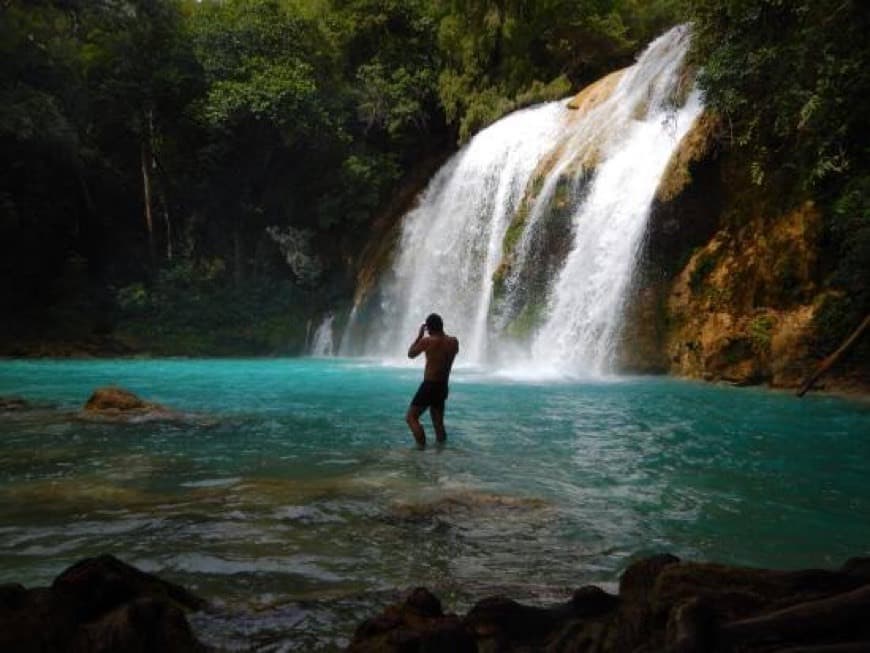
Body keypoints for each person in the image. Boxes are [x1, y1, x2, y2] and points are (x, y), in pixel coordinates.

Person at [406, 313, 459, 448]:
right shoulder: (454, 342)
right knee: (438, 423)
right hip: (442, 386)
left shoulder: (428, 341)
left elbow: (411, 354)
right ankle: (441, 452)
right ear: (441, 325)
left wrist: (419, 336)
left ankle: (420, 449)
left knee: (411, 418)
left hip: (429, 385)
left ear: (428, 328)